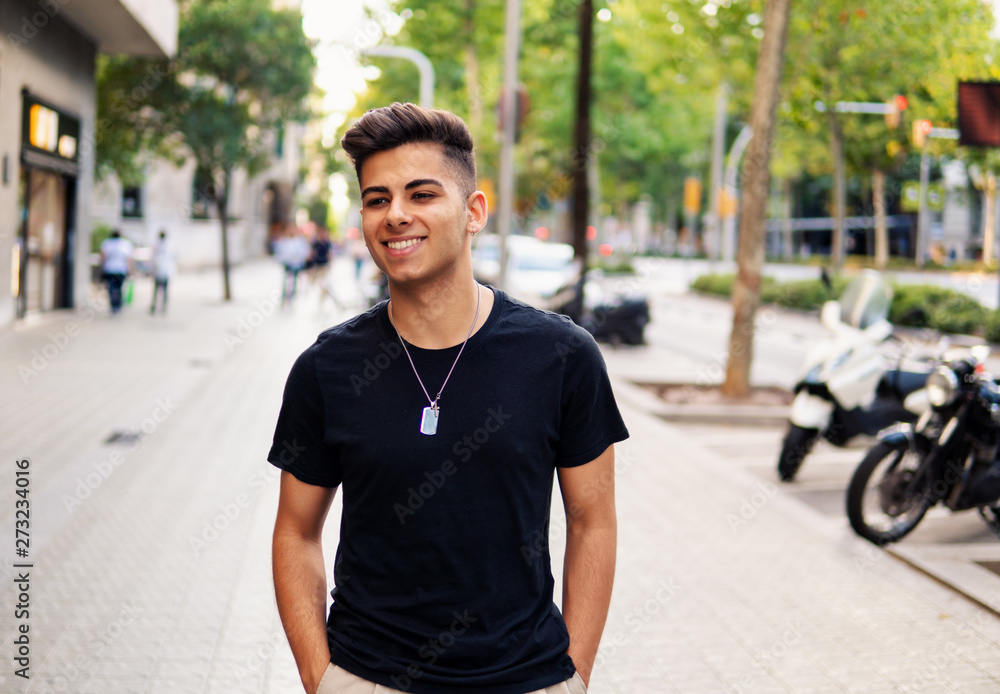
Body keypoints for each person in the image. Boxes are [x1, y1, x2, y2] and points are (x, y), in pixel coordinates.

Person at [269, 102, 628, 694]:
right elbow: (296, 532)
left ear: (473, 212)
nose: (396, 215)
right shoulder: (326, 368)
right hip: (368, 677)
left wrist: (575, 676)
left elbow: (594, 521)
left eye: (422, 194)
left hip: (526, 678)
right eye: (377, 199)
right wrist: (320, 678)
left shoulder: (561, 357)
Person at [275, 225, 311, 304]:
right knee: (286, 280)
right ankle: (285, 295)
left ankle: (292, 295)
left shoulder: (299, 241)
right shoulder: (284, 241)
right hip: (287, 264)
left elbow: (304, 252)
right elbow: (280, 252)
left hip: (296, 264)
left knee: (294, 281)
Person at [100, 230, 134, 314]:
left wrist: (101, 268)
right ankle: (118, 304)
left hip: (109, 269)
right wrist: (131, 270)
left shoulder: (106, 243)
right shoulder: (125, 244)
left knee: (111, 288)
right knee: (119, 288)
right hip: (121, 270)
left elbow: (103, 257)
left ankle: (113, 305)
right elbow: (128, 259)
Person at [150, 230, 175, 315]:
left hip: (158, 269)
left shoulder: (156, 244)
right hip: (166, 270)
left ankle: (154, 306)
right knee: (165, 290)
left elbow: (153, 257)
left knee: (156, 290)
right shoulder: (170, 245)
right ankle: (164, 307)